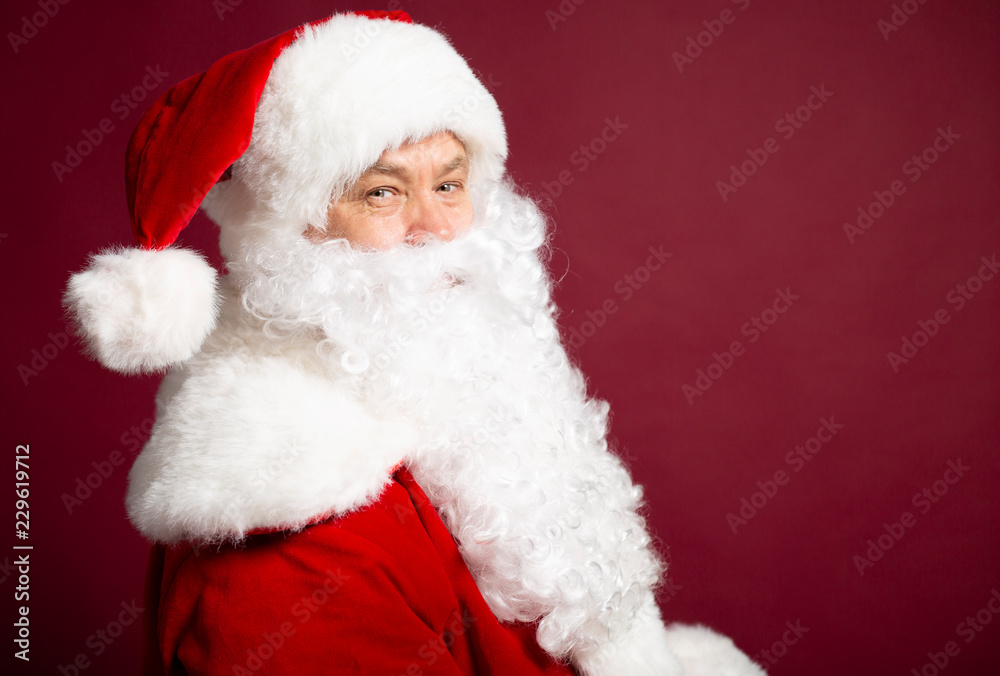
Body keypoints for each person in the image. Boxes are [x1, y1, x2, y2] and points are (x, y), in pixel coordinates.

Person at [65, 10, 765, 675]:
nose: (437, 225)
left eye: (451, 183)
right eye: (382, 193)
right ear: (287, 233)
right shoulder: (297, 548)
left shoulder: (447, 420)